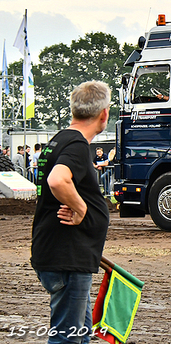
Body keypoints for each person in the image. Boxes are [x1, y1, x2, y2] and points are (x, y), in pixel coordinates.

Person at [31, 81, 111, 344]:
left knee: (81, 336)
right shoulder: (76, 146)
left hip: (65, 254)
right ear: (104, 114)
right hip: (66, 258)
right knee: (67, 340)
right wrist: (82, 208)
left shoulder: (59, 140)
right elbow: (57, 180)